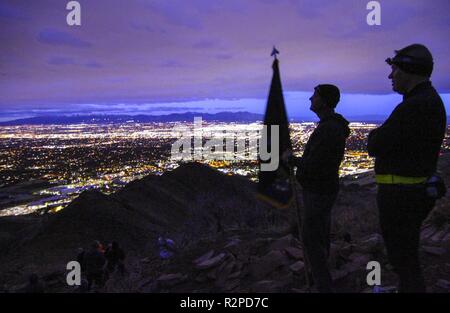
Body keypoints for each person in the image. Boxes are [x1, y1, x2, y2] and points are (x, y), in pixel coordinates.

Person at [367, 44, 447, 293]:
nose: (391, 76)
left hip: (402, 197)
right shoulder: (425, 101)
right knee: (405, 257)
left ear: (410, 70)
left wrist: (375, 137)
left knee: (403, 259)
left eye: (395, 69)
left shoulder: (415, 106)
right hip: (409, 194)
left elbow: (376, 143)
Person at [287, 84, 350, 292]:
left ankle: (323, 285)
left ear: (323, 100)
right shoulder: (329, 126)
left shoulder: (329, 129)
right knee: (320, 234)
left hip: (319, 191)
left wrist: (293, 161)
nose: (310, 99)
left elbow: (317, 165)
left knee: (311, 238)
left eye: (314, 96)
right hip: (321, 189)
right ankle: (322, 278)